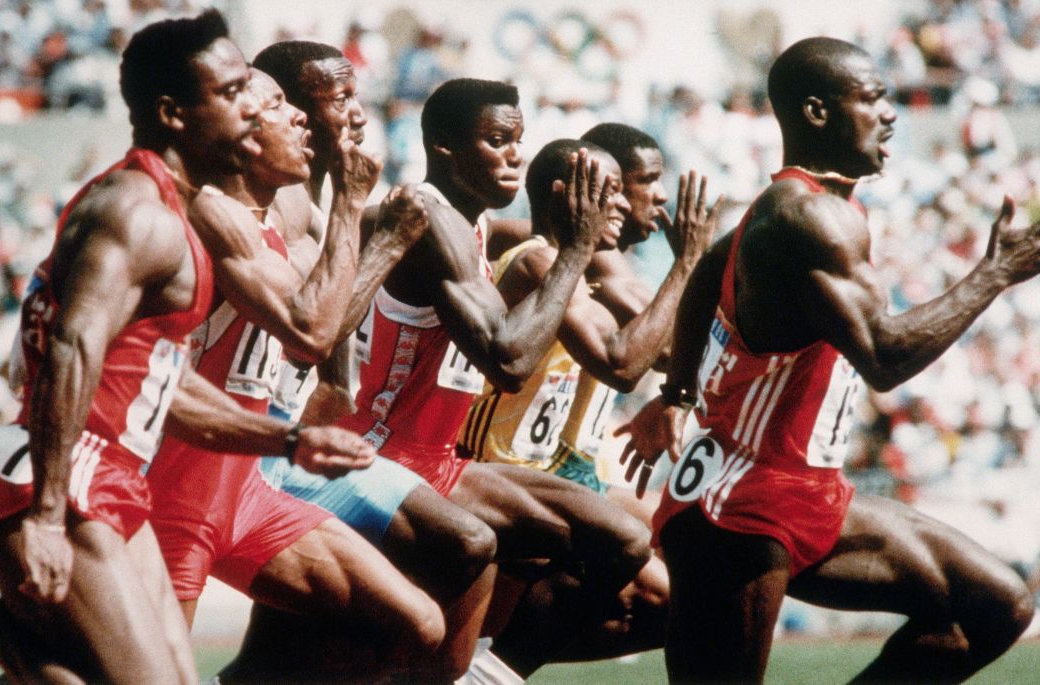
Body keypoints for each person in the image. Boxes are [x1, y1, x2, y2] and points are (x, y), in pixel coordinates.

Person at [618, 36, 1040, 684]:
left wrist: (675, 394)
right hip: (738, 504)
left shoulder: (791, 211)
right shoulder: (807, 217)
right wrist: (995, 274)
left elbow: (709, 269)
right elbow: (883, 356)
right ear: (817, 112)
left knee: (993, 605)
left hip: (807, 490)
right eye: (872, 98)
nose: (891, 112)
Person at [0, 11, 370, 685]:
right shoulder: (137, 211)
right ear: (172, 113)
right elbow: (69, 351)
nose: (252, 113)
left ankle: (14, 639)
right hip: (72, 471)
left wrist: (285, 442)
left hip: (113, 475)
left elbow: (158, 380)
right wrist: (47, 517)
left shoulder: (178, 210)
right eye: (230, 95)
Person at [302, 78, 652, 678]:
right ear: (444, 147)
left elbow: (555, 246)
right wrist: (575, 248)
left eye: (519, 140)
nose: (514, 155)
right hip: (385, 454)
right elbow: (508, 361)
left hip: (444, 460)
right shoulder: (428, 219)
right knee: (465, 564)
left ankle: (491, 673)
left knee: (620, 540)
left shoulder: (475, 224)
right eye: (496, 140)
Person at [146, 65, 447, 683]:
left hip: (246, 492)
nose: (302, 118)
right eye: (282, 106)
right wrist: (354, 206)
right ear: (243, 135)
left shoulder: (273, 225)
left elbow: (327, 333)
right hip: (174, 497)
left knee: (417, 624)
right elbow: (311, 332)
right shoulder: (211, 214)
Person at [228, 43, 502, 684]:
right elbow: (311, 335)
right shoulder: (290, 208)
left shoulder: (323, 203)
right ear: (287, 109)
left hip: (288, 446)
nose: (358, 114)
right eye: (339, 99)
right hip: (242, 451)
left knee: (464, 554)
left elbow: (324, 368)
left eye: (357, 97)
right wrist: (379, 236)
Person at [458, 136, 720, 670]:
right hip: (501, 468)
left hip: (554, 468)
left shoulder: (576, 270)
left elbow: (658, 357)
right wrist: (690, 260)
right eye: (623, 187)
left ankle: (497, 662)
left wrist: (676, 392)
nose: (639, 201)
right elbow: (631, 360)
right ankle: (496, 666)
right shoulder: (556, 266)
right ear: (573, 193)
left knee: (683, 588)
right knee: (648, 575)